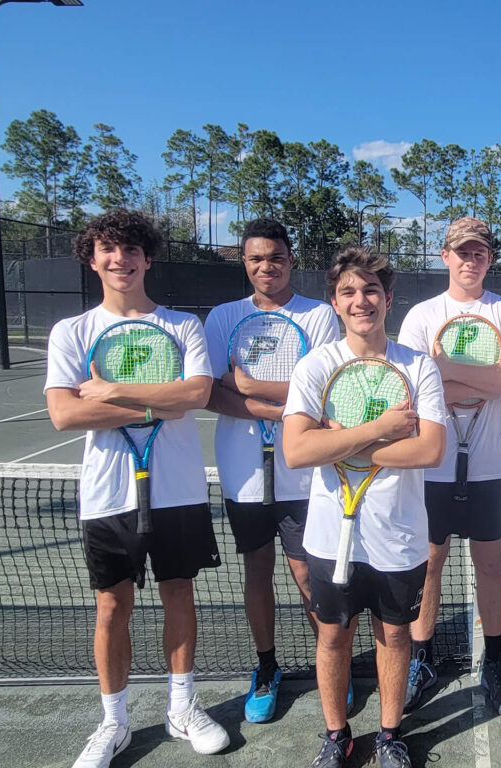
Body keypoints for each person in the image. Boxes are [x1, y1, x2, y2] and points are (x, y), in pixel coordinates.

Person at [44, 209, 228, 768]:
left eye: (130, 251)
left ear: (148, 258)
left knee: (180, 594)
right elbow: (63, 415)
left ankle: (181, 708)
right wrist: (155, 399)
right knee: (110, 608)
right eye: (108, 250)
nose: (119, 260)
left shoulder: (183, 327)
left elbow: (195, 394)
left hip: (177, 491)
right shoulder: (71, 332)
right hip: (106, 495)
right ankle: (114, 722)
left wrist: (110, 391)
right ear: (92, 257)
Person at [282, 246, 448, 768]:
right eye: (349, 291)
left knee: (395, 634)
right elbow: (296, 451)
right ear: (334, 301)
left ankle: (390, 734)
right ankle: (337, 736)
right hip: (331, 534)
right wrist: (379, 430)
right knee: (333, 635)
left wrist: (341, 440)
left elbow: (429, 449)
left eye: (371, 290)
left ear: (389, 298)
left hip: (398, 534)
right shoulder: (315, 366)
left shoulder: (418, 367)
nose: (361, 301)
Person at [203, 217, 339, 723]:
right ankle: (266, 668)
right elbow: (211, 391)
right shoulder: (222, 318)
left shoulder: (320, 316)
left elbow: (320, 393)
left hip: (305, 477)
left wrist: (246, 381)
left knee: (309, 575)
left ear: (290, 260)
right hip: (243, 475)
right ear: (245, 262)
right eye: (256, 258)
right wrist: (268, 401)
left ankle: (332, 666)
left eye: (276, 257)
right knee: (256, 572)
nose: (267, 266)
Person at [396, 217, 501, 715]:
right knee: (428, 565)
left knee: (490, 565)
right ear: (445, 256)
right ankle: (422, 658)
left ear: (489, 259)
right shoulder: (421, 315)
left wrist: (446, 369)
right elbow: (415, 387)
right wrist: (486, 378)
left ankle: (493, 659)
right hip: (431, 468)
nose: (469, 260)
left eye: (478, 252)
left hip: (493, 466)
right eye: (461, 252)